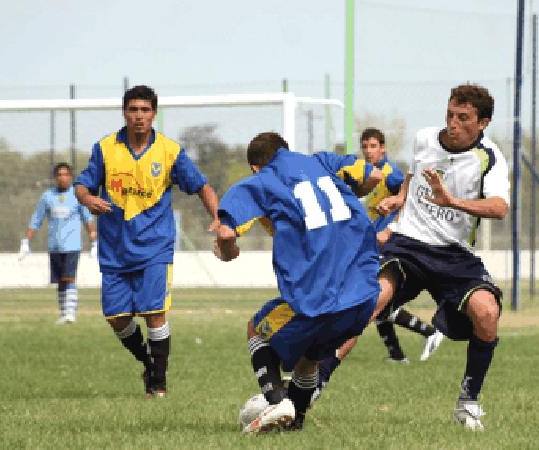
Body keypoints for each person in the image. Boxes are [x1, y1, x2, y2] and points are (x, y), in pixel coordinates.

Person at [213, 132, 384, 433]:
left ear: (256, 166)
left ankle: (276, 400)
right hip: (364, 293)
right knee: (309, 360)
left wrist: (227, 250)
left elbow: (226, 233)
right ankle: (295, 426)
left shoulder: (263, 179)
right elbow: (373, 175)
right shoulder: (322, 162)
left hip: (319, 297)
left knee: (257, 328)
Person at [373, 83, 510, 431]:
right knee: (369, 302)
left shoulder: (490, 159)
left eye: (463, 118)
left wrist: (453, 202)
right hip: (409, 243)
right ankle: (307, 390)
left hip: (455, 255)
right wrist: (401, 198)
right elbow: (413, 173)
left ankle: (467, 403)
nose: (453, 123)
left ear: (483, 123)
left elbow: (499, 207)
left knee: (487, 313)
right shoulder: (424, 139)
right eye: (450, 114)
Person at [74, 85, 219, 398]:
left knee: (155, 313)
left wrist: (219, 219)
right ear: (124, 112)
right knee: (116, 318)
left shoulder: (170, 151)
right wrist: (88, 199)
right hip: (114, 249)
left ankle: (159, 383)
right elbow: (82, 186)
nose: (138, 116)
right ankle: (148, 363)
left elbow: (202, 187)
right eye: (133, 109)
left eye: (144, 110)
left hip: (155, 246)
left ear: (154, 114)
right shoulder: (105, 148)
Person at [316, 128, 443, 394]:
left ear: (383, 149)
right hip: (374, 245)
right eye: (365, 146)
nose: (368, 150)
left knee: (371, 300)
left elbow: (410, 201)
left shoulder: (393, 175)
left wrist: (395, 226)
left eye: (373, 146)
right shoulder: (370, 176)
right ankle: (398, 352)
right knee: (377, 302)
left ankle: (428, 332)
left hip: (390, 246)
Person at [19, 162, 96, 324]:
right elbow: (36, 219)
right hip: (54, 246)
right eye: (59, 175)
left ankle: (70, 313)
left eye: (66, 174)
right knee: (60, 281)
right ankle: (63, 313)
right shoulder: (48, 196)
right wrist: (26, 241)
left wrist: (94, 241)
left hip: (72, 245)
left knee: (69, 278)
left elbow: (87, 219)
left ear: (70, 177)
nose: (63, 178)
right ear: (55, 177)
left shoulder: (77, 195)